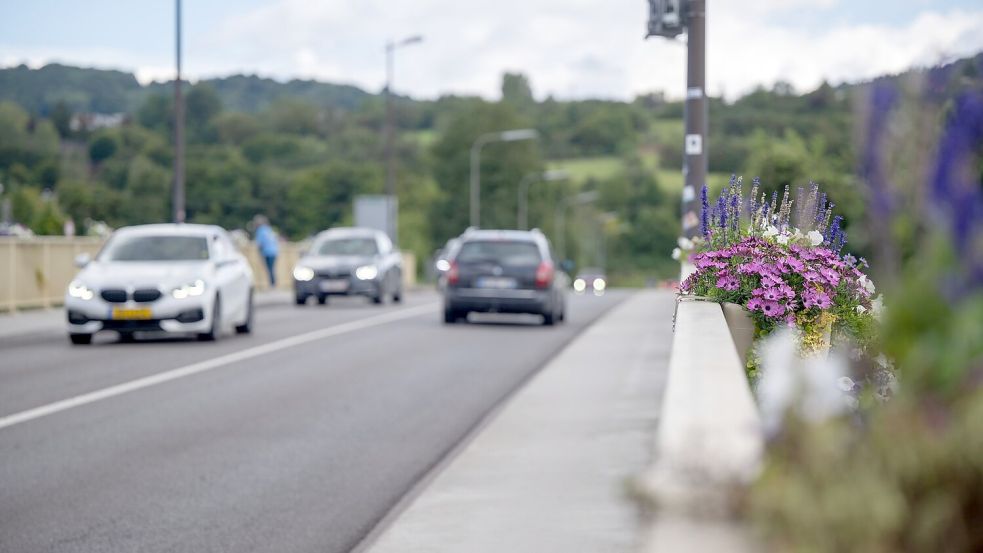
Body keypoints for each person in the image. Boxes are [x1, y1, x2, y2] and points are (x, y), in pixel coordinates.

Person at [253, 215, 279, 287]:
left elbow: (259, 243)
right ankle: (273, 283)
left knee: (269, 269)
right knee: (272, 268)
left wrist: (259, 251)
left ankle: (272, 284)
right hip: (274, 251)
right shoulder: (269, 229)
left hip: (267, 252)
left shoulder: (260, 230)